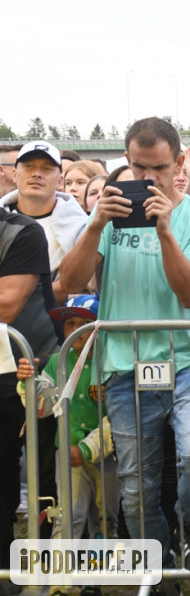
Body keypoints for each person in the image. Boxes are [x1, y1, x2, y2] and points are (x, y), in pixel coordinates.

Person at [59, 117, 190, 572]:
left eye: (159, 169)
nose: (148, 180)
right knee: (135, 486)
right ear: (126, 162)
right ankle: (155, 566)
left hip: (184, 359)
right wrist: (95, 225)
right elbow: (66, 285)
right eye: (139, 168)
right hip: (122, 364)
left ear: (179, 162)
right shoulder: (106, 217)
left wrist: (165, 229)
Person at [0, 205, 59, 580]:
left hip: (30, 371)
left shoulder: (21, 231)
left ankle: (45, 571)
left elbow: (6, 304)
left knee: (45, 481)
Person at [36, 294, 120, 543]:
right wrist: (28, 383)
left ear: (98, 327)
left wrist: (86, 449)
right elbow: (43, 407)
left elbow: (117, 418)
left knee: (104, 519)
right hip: (68, 455)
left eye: (81, 324)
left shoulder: (113, 363)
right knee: (67, 516)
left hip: (107, 458)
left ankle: (96, 578)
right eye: (69, 324)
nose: (74, 330)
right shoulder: (57, 362)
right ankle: (61, 580)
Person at [1, 141, 88, 303]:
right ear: (14, 174)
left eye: (47, 168)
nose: (37, 174)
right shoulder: (3, 222)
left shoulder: (81, 227)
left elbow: (75, 287)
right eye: (29, 167)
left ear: (60, 180)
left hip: (57, 323)